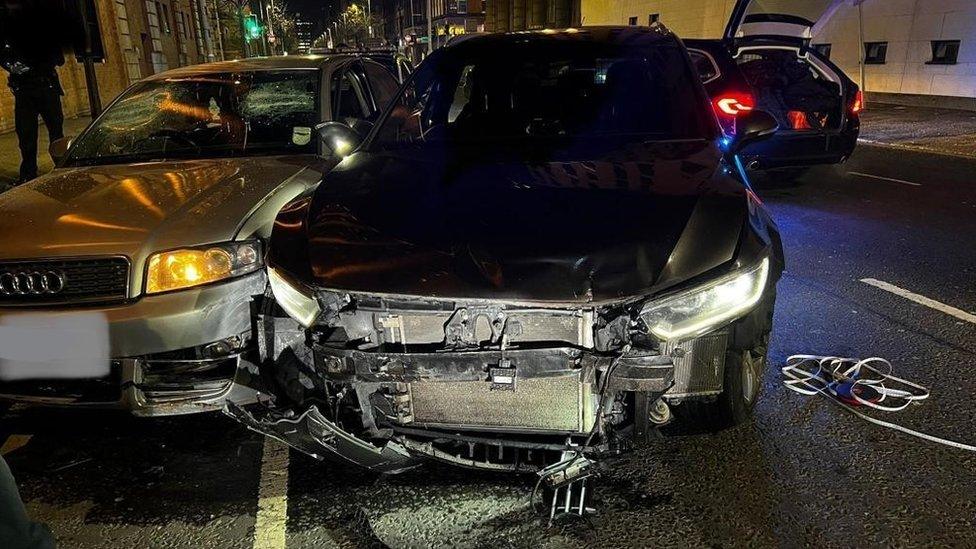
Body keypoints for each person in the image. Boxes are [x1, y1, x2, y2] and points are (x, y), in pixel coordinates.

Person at [0, 0, 66, 183]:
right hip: (23, 90)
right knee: (26, 134)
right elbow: (2, 54)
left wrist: (33, 63)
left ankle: (62, 168)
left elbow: (59, 58)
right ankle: (28, 174)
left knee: (56, 133)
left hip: (46, 87)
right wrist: (11, 66)